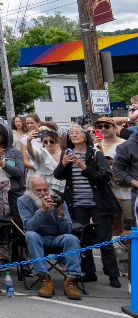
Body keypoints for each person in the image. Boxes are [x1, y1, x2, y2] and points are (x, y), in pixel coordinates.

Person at [54, 123, 121, 288]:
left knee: (104, 239)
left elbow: (104, 177)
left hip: (98, 202)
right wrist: (63, 164)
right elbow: (58, 176)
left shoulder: (96, 153)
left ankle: (113, 275)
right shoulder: (67, 153)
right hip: (77, 202)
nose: (74, 135)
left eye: (77, 132)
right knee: (82, 239)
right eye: (71, 133)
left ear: (85, 136)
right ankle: (89, 272)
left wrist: (83, 166)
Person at [18, 175, 82, 299]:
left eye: (45, 189)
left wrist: (60, 214)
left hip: (57, 237)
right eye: (38, 190)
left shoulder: (58, 200)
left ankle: (72, 280)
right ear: (30, 190)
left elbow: (68, 231)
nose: (43, 193)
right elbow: (29, 227)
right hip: (38, 237)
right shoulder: (23, 200)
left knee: (72, 238)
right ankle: (44, 279)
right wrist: (42, 211)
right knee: (30, 235)